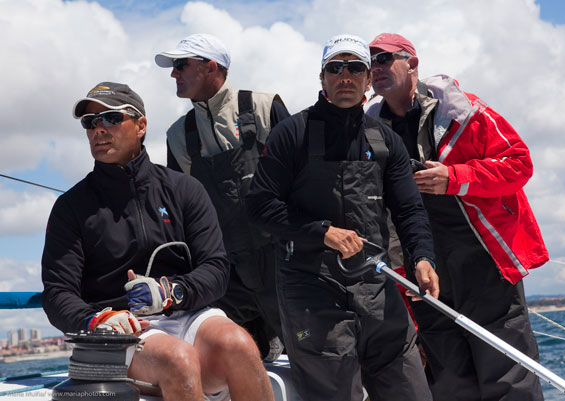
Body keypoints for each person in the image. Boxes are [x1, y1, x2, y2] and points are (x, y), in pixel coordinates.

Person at [41, 82, 274, 401]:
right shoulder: (71, 207)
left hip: (186, 312)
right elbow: (57, 293)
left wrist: (170, 292)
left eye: (110, 118)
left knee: (241, 345)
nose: (98, 130)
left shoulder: (185, 190)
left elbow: (217, 269)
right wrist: (98, 319)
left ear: (141, 126)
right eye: (90, 122)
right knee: (177, 360)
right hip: (116, 329)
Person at [246, 34, 439, 401]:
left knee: (413, 391)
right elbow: (259, 205)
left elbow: (409, 209)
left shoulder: (385, 140)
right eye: (335, 68)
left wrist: (423, 257)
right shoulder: (293, 133)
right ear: (322, 79)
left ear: (369, 80)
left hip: (376, 285)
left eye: (355, 68)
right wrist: (322, 232)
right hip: (310, 288)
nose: (345, 76)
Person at [365, 33, 549, 401]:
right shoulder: (369, 132)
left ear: (412, 64)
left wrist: (456, 177)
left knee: (509, 377)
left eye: (384, 59)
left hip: (484, 263)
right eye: (371, 63)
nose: (376, 69)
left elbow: (519, 163)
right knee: (450, 383)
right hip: (422, 272)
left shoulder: (465, 113)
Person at [155, 33, 289, 362]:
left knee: (316, 362)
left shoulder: (264, 106)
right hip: (227, 280)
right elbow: (179, 213)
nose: (174, 74)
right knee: (228, 365)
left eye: (180, 64)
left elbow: (303, 178)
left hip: (284, 268)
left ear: (211, 66)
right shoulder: (177, 135)